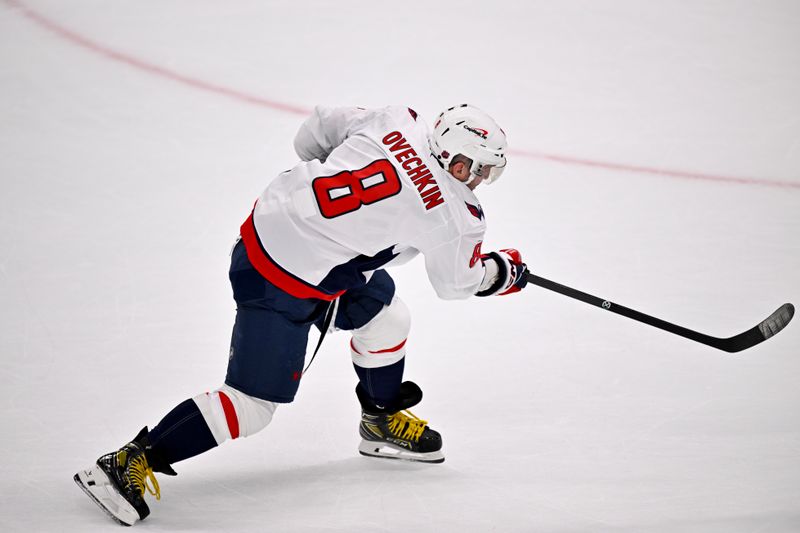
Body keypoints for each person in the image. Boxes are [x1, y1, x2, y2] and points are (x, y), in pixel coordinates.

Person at [73, 103, 529, 526]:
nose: (481, 180)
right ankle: (129, 461)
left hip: (274, 230)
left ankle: (381, 420)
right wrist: (503, 271)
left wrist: (325, 215)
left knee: (387, 316)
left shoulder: (397, 119)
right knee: (252, 405)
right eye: (480, 169)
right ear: (457, 160)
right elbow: (457, 284)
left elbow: (314, 132)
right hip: (282, 283)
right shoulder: (454, 213)